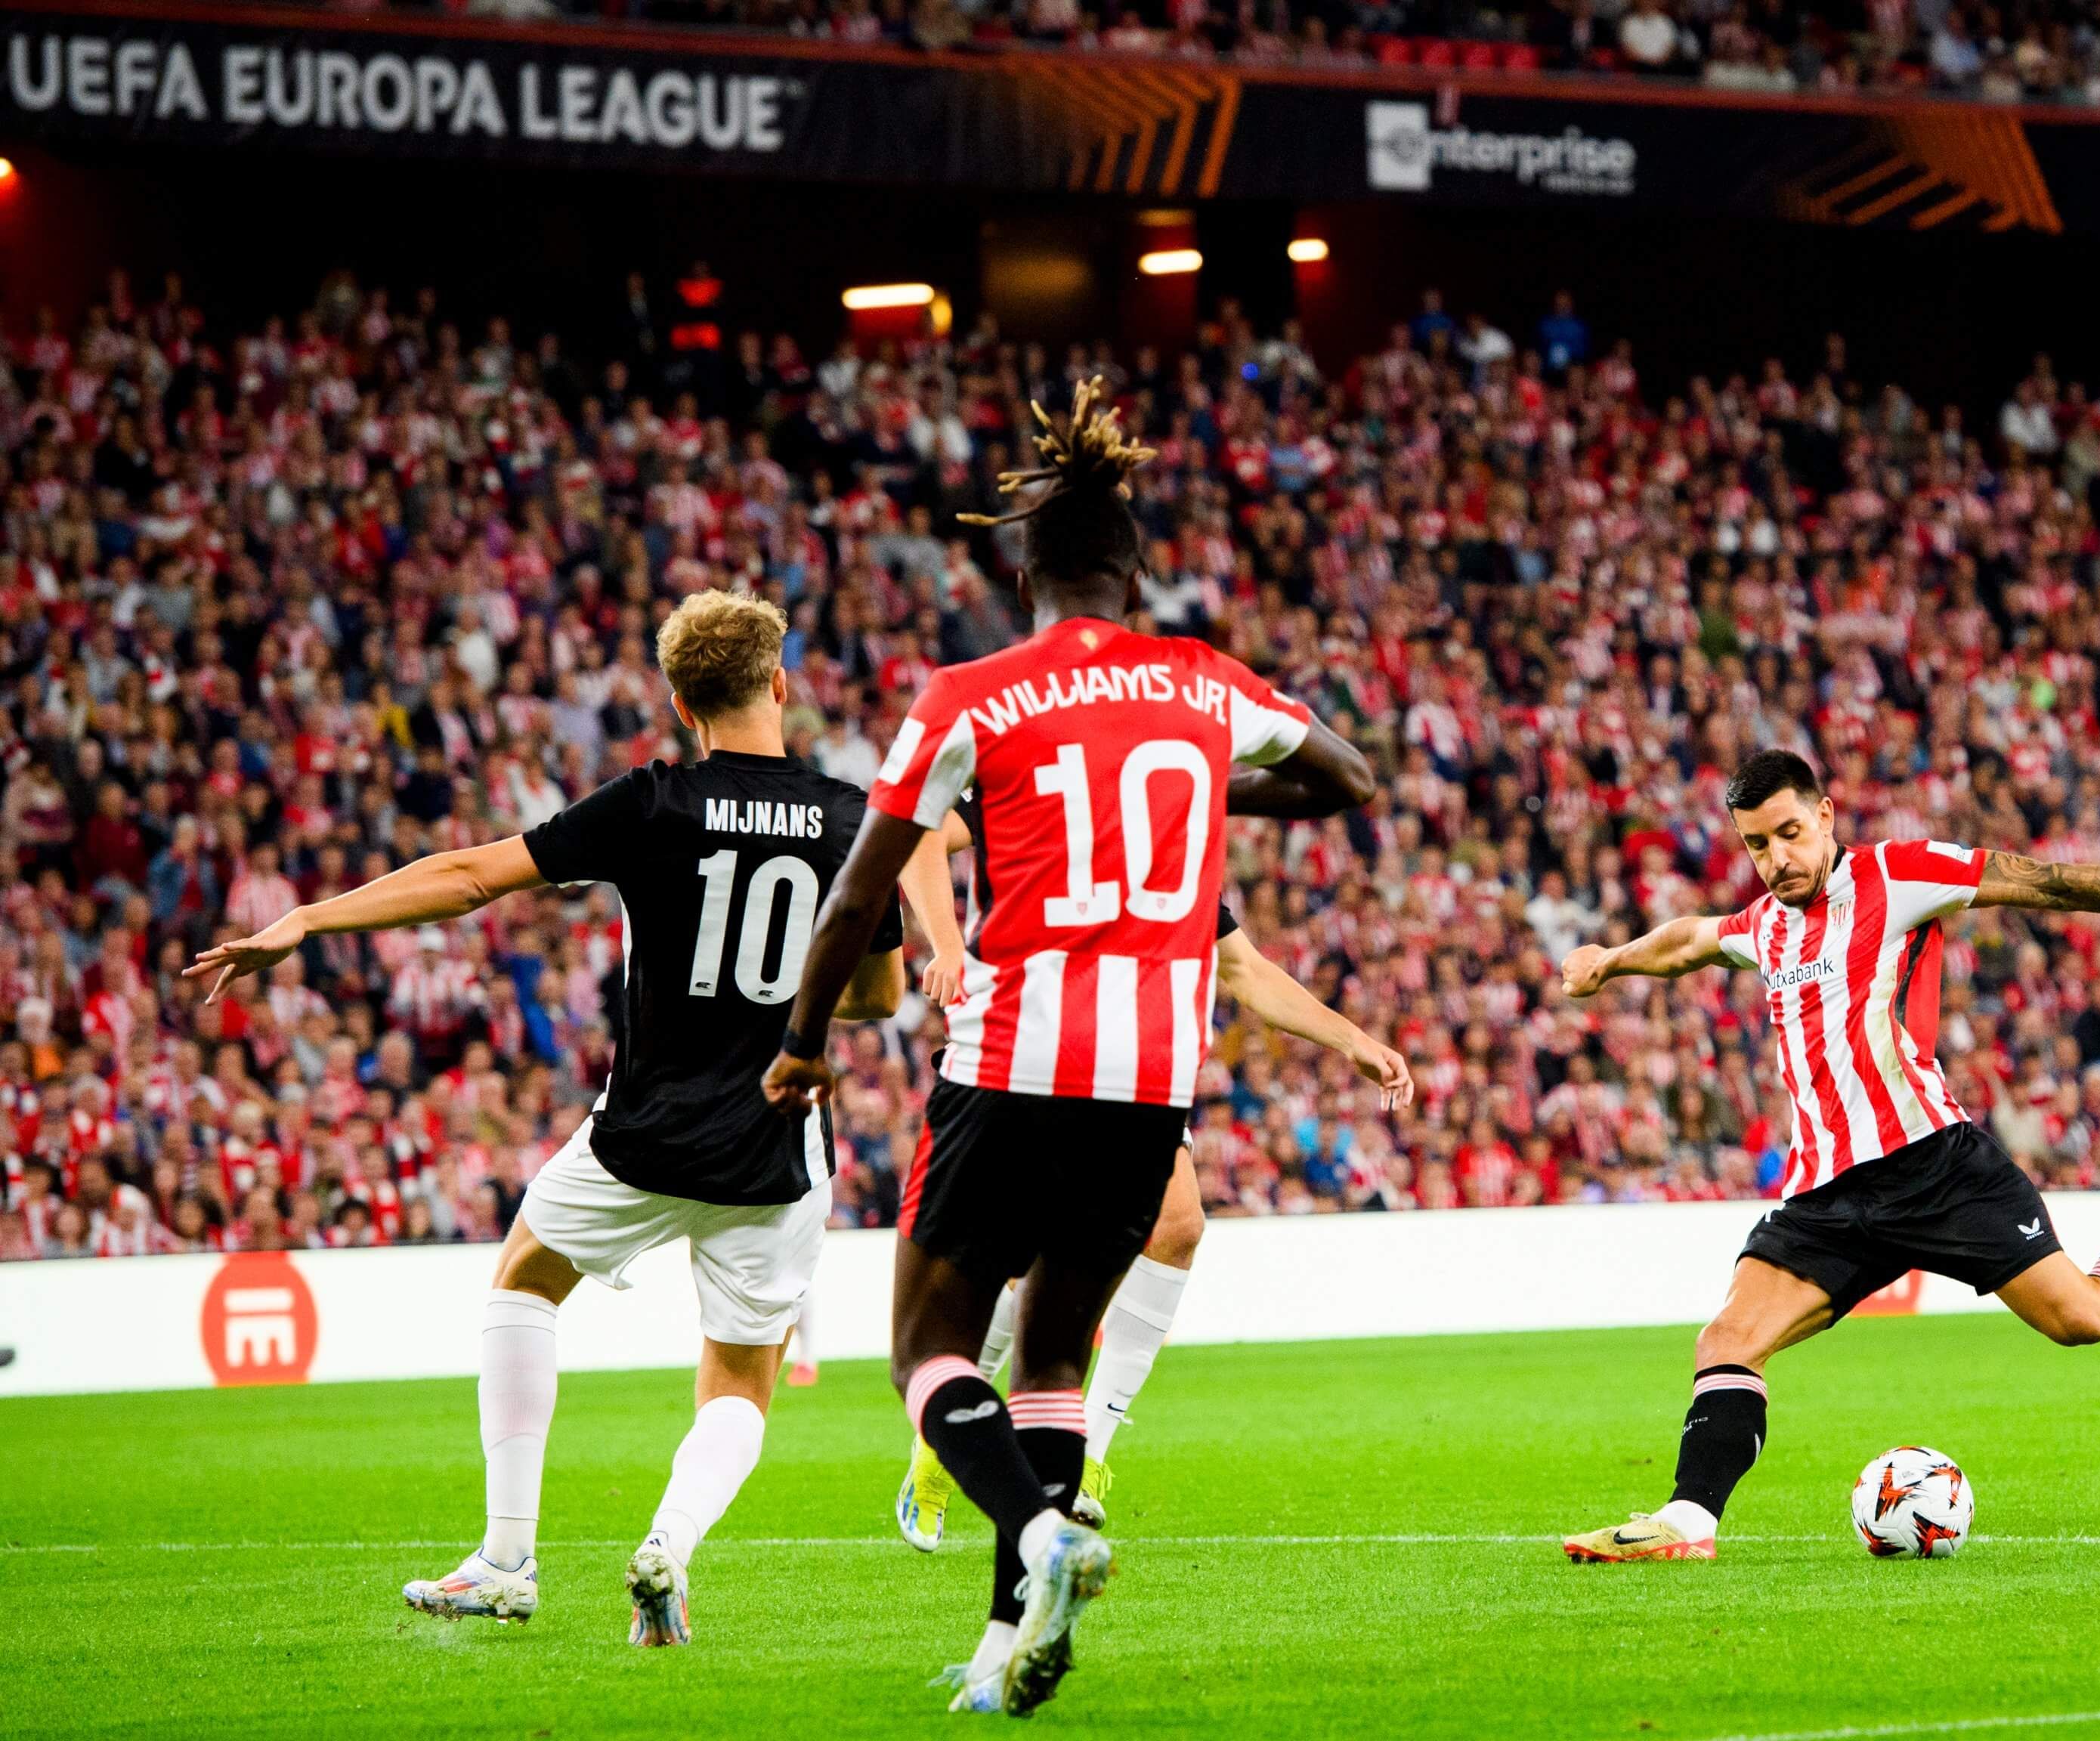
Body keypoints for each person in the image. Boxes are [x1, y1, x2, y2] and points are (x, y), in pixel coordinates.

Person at [762, 381, 1376, 1717]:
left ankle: (1042, 1538)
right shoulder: (1201, 681)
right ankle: (1007, 1636)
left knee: (926, 1345)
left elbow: (864, 885)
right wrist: (1210, 780)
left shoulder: (972, 692)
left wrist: (804, 1040)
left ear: (1025, 567)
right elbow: (1349, 777)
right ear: (1138, 570)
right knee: (1051, 1357)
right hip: (1152, 1075)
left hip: (1013, 1059)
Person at [184, 590, 955, 1644]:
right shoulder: (845, 819)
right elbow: (872, 1000)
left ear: (684, 706)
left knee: (524, 1281)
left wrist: (307, 919)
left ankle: (507, 1557)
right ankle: (669, 1549)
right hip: (774, 1150)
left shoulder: (651, 803)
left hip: (641, 1134)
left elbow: (467, 879)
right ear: (781, 686)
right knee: (741, 1376)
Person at [1551, 750, 2100, 1563]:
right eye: (1757, 845)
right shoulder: (1763, 927)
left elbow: (2043, 881)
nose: (1777, 861)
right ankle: (1686, 1524)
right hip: (1826, 1196)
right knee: (1726, 1339)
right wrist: (1611, 960)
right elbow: (1688, 939)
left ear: (1827, 815)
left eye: (1790, 834)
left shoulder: (1899, 876)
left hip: (1937, 1167)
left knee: (2081, 1317)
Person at [892, 898, 1415, 1549]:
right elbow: (927, 820)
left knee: (1179, 1226)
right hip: (1027, 1054)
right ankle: (940, 1449)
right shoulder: (1038, 811)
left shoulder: (1171, 843)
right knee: (1021, 1267)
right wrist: (945, 939)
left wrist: (1354, 1041)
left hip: (1136, 1071)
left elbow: (1243, 968)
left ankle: (1089, 1460)